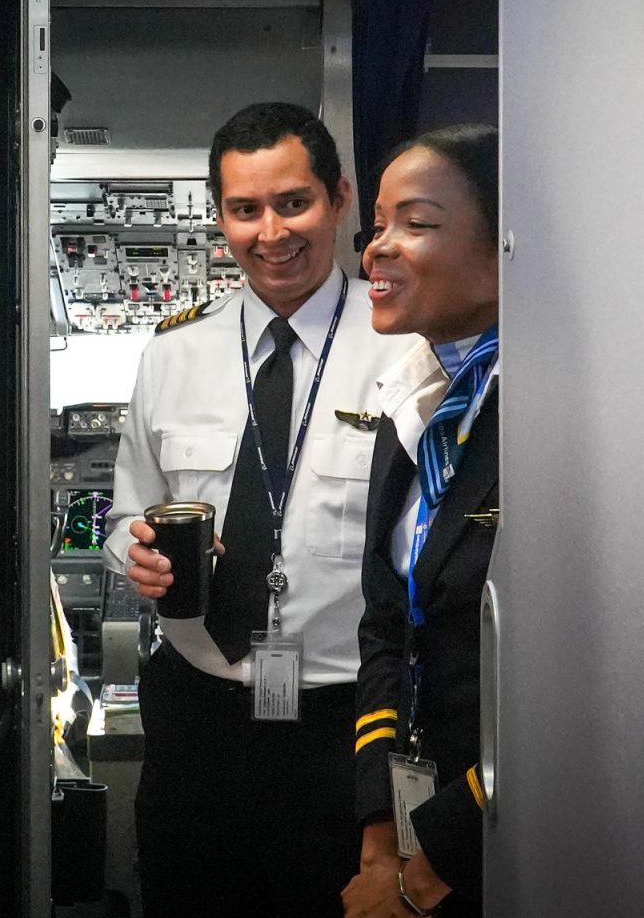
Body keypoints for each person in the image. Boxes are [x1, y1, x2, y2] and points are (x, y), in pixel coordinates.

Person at [105, 102, 415, 916]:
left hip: (344, 722)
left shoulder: (408, 356)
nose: (270, 232)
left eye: (292, 203)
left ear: (340, 199)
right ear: (221, 217)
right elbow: (122, 516)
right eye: (245, 210)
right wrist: (131, 553)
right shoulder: (173, 354)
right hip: (199, 716)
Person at [342, 124, 500, 918]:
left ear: (505, 242)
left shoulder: (562, 419)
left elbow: (572, 691)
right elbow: (385, 622)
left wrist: (426, 871)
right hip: (416, 831)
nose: (378, 249)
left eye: (418, 223)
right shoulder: (410, 399)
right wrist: (382, 835)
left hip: (514, 840)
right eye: (377, 225)